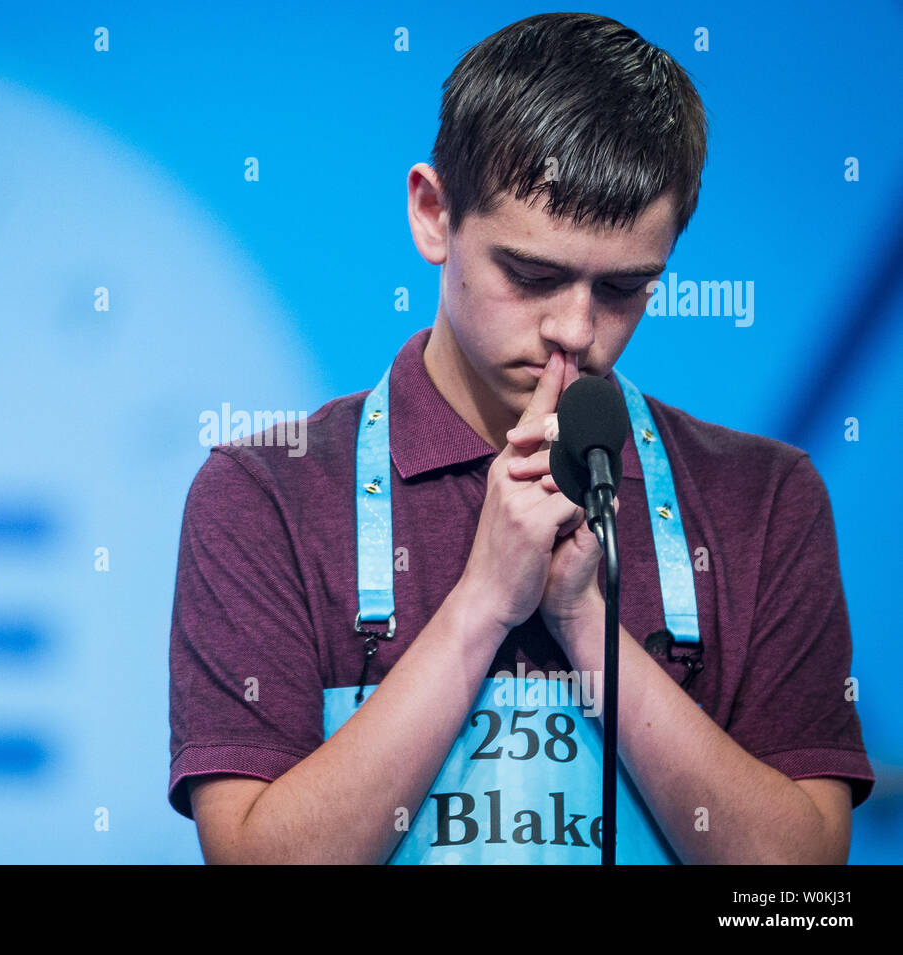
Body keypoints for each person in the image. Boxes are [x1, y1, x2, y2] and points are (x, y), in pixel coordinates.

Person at [166, 11, 874, 864]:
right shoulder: (264, 493)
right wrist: (481, 604)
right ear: (432, 214)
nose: (576, 331)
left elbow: (797, 894)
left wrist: (585, 622)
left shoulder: (763, 496)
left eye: (624, 288)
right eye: (533, 275)